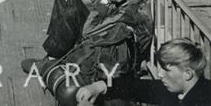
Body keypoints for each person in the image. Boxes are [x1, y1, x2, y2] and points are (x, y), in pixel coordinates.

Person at [21, 0, 154, 86]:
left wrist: (106, 1)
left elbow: (87, 31)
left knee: (69, 4)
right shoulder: (138, 0)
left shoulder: (129, 14)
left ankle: (52, 61)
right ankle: (53, 56)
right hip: (107, 36)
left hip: (104, 47)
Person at [76, 38, 211, 106]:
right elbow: (137, 87)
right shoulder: (183, 89)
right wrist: (100, 86)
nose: (160, 74)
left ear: (187, 73)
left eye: (166, 70)